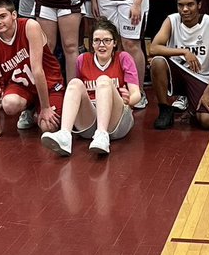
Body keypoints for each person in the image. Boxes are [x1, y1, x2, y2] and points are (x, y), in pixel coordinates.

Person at [40, 20, 142, 156]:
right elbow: (78, 94)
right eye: (97, 41)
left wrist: (129, 99)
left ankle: (102, 136)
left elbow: (137, 94)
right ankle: (65, 135)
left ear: (115, 42)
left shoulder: (123, 58)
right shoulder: (82, 60)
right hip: (90, 120)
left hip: (116, 120)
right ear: (92, 44)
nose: (102, 45)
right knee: (74, 83)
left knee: (103, 81)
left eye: (107, 40)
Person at [0, 0, 66, 137]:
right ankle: (29, 109)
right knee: (9, 104)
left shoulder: (30, 26)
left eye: (2, 16)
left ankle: (43, 106)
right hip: (23, 87)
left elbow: (37, 70)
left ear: (13, 15)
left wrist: (46, 108)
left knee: (48, 128)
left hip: (48, 83)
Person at [149, 0, 209, 130]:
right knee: (157, 62)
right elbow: (153, 48)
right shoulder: (172, 20)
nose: (185, 9)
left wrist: (208, 92)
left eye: (190, 5)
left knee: (208, 121)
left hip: (202, 78)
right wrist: (184, 52)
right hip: (178, 73)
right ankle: (165, 110)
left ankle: (194, 106)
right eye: (181, 5)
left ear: (199, 5)